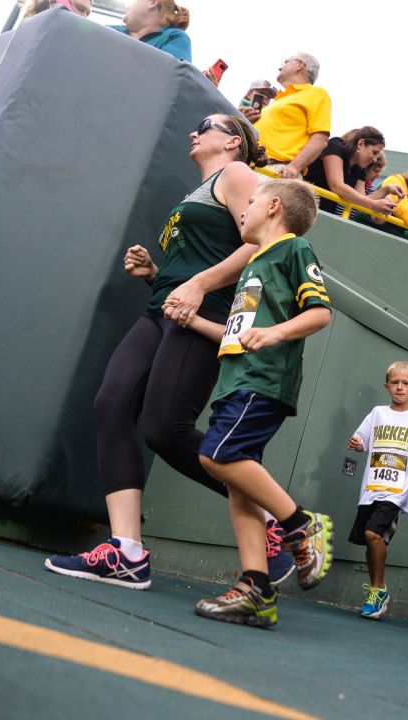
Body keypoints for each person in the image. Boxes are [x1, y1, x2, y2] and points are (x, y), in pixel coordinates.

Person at [44, 114, 274, 589]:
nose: (194, 131)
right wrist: (155, 271)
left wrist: (197, 283)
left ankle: (281, 521)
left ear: (233, 140)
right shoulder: (198, 190)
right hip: (164, 307)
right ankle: (126, 551)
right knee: (111, 403)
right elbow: (196, 259)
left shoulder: (237, 175)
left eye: (205, 125)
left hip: (203, 310)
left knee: (165, 429)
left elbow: (263, 243)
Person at [191, 179, 335, 629]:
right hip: (235, 380)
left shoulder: (295, 251)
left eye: (250, 201)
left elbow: (320, 312)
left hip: (263, 379)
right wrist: (192, 318)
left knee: (216, 455)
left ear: (273, 206)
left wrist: (274, 334)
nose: (244, 208)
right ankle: (256, 589)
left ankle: (300, 523)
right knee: (239, 487)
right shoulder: (256, 261)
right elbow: (239, 331)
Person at [346, 361, 408, 619]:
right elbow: (361, 440)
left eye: (406, 383)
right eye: (395, 383)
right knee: (371, 538)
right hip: (372, 487)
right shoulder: (377, 413)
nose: (400, 387)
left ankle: (377, 590)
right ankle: (379, 590)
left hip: (398, 490)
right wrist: (356, 443)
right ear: (386, 386)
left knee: (373, 533)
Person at [242, 53, 331, 180]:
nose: (280, 67)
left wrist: (295, 166)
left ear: (299, 65)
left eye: (286, 62)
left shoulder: (316, 94)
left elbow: (320, 139)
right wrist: (247, 121)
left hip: (275, 170)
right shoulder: (278, 101)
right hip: (248, 168)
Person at [305, 127, 399, 216]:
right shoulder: (336, 146)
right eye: (374, 152)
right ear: (360, 144)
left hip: (325, 212)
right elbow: (337, 186)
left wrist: (386, 190)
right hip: (304, 204)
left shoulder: (360, 167)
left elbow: (361, 200)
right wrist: (373, 204)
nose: (375, 160)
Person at [110, 0, 191, 63]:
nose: (126, 6)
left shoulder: (173, 37)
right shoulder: (112, 30)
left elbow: (173, 78)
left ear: (152, 2)